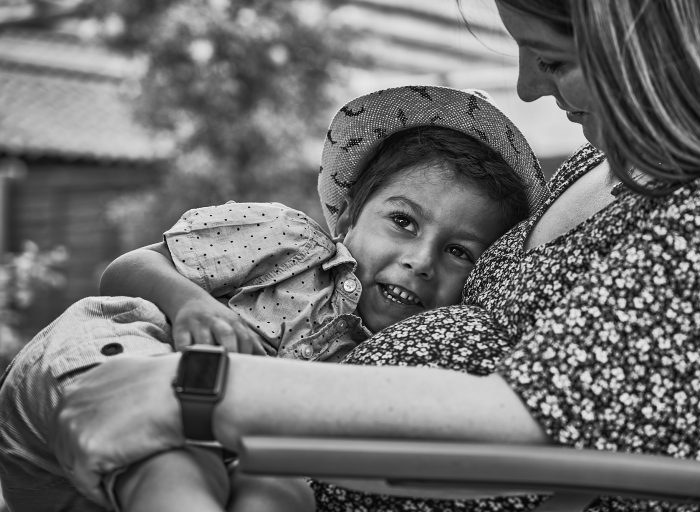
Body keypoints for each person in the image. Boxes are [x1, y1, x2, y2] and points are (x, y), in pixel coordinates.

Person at [7, 0, 700, 511]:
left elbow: (540, 414)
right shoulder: (602, 167)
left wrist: (203, 392)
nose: (527, 86)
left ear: (657, 51)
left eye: (554, 58)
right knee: (103, 343)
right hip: (239, 428)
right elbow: (140, 273)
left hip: (278, 452)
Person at [0, 85, 546, 512]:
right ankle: (174, 486)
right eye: (403, 221)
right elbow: (126, 270)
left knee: (287, 487)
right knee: (121, 326)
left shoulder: (414, 358)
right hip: (100, 417)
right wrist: (190, 303)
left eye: (459, 251)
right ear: (349, 216)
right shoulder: (287, 242)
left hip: (240, 465)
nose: (422, 260)